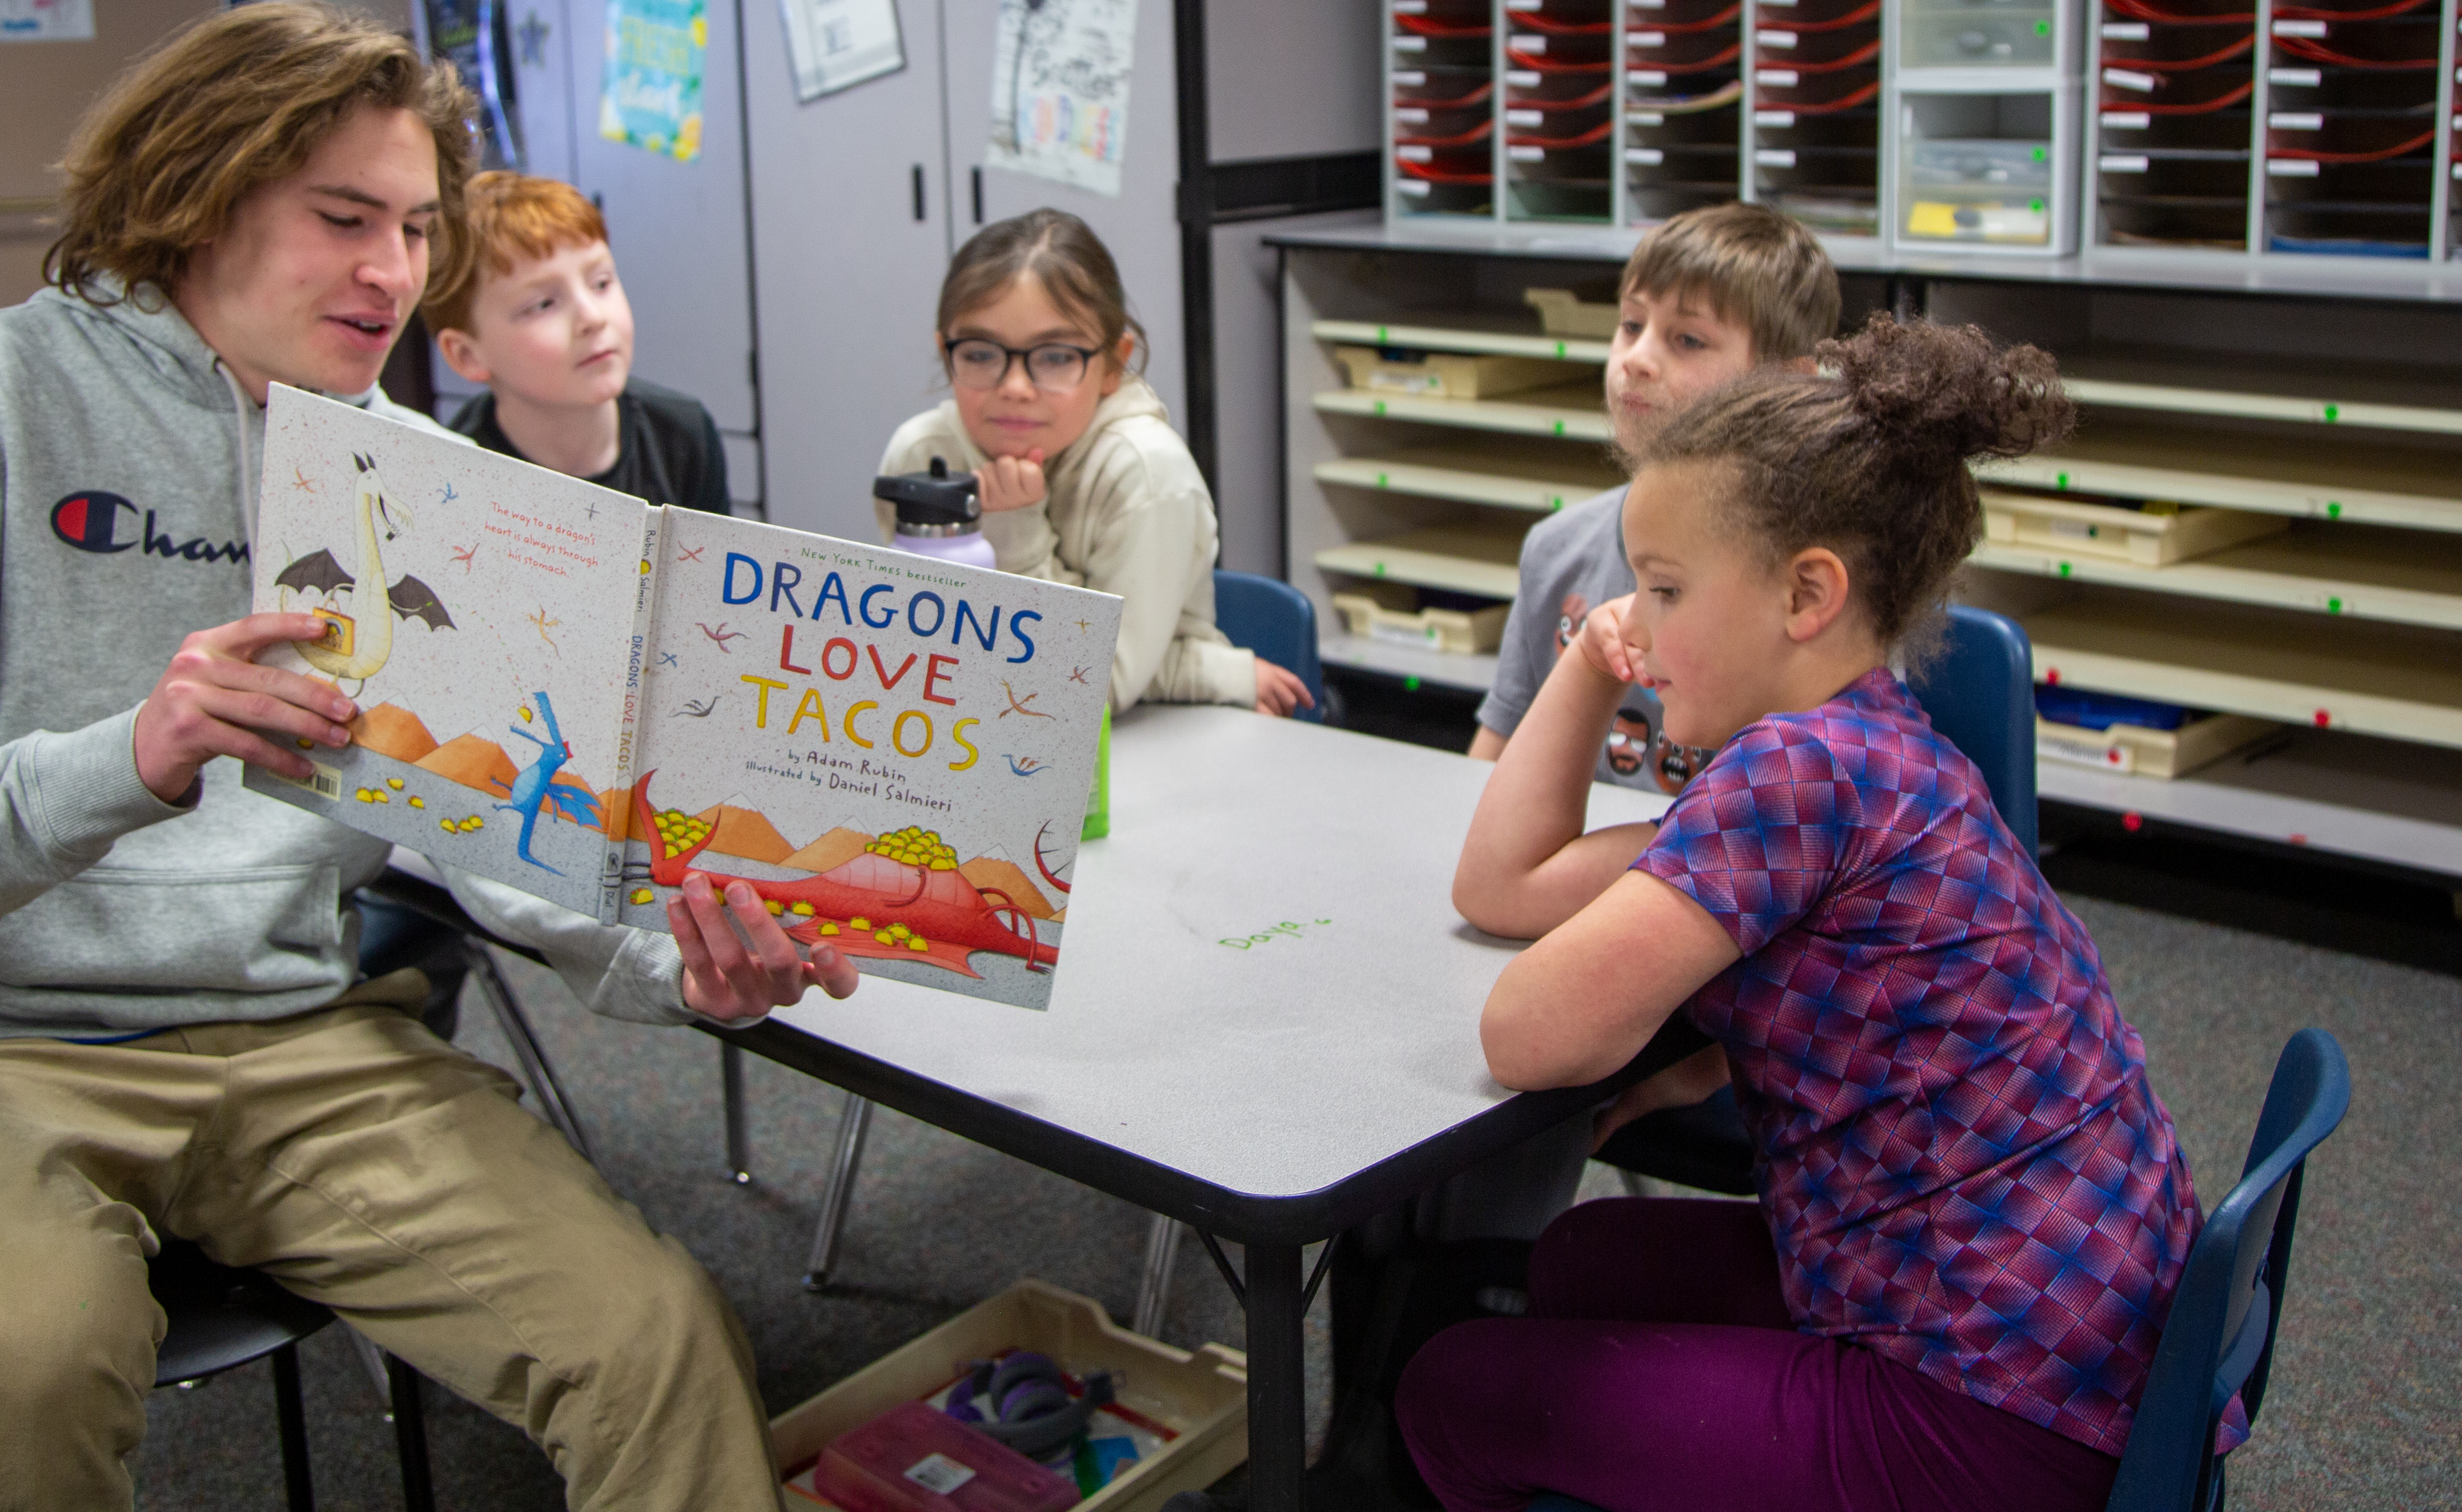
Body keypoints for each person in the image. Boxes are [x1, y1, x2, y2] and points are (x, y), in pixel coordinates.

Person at [0, 2, 850, 1512]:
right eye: (342, 218)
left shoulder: (429, 482)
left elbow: (502, 832)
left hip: (300, 1034)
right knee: (28, 1363)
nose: (391, 270)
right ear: (194, 187)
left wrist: (677, 957)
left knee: (657, 1340)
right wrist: (131, 754)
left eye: (413, 227)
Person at [1397, 317, 2215, 1512]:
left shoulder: (1792, 780)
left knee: (1451, 1388)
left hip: (1989, 1410)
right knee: (1582, 1258)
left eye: (1665, 589)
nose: (1639, 621)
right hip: (2084, 1334)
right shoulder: (1868, 741)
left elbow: (1528, 1036)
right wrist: (1586, 665)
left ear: (1807, 594)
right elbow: (1504, 887)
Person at [870, 208, 1304, 717]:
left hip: (1142, 738)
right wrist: (1194, 669)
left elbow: (1086, 691)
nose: (1014, 388)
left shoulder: (1146, 473)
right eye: (982, 353)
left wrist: (1015, 532)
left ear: (1114, 364)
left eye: (1055, 356)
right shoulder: (923, 458)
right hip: (970, 724)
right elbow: (913, 653)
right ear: (947, 352)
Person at [1467, 202, 1838, 789]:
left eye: (1687, 339)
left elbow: (1807, 826)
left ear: (1787, 380)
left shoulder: (1812, 585)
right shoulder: (1556, 549)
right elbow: (1492, 762)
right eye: (1631, 325)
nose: (1637, 360)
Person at [428, 170, 730, 513]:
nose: (593, 318)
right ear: (467, 355)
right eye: (543, 305)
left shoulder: (683, 438)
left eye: (601, 283)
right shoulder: (454, 481)